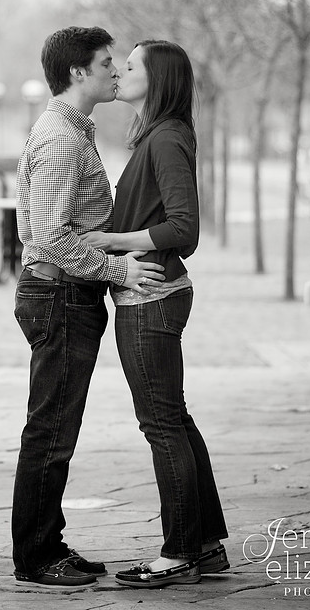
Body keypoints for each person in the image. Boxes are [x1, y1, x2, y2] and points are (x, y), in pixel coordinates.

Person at [11, 26, 165, 589]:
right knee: (50, 430)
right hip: (57, 295)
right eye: (106, 64)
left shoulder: (73, 129)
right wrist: (121, 267)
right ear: (78, 72)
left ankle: (48, 542)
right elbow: (51, 240)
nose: (116, 73)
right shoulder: (61, 138)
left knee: (57, 428)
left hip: (64, 295)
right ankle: (35, 556)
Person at [84, 40, 229, 589]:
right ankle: (206, 546)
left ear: (159, 79)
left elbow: (184, 231)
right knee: (176, 420)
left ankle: (179, 554)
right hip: (151, 295)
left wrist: (107, 239)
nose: (120, 70)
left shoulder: (166, 138)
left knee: (162, 425)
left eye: (132, 65)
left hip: (152, 298)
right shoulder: (158, 134)